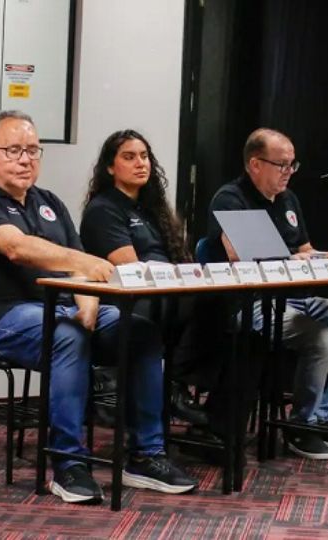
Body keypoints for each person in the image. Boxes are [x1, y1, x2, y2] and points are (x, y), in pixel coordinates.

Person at [0, 111, 196, 504]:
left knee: (140, 332)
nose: (25, 159)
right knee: (68, 336)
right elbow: (17, 247)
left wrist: (89, 306)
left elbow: (79, 267)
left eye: (33, 150)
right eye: (13, 150)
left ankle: (146, 455)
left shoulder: (48, 203)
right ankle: (68, 463)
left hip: (57, 310)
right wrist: (85, 271)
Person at [204, 127, 328, 459]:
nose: (289, 172)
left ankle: (325, 418)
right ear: (255, 164)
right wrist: (293, 259)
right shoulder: (232, 198)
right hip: (251, 302)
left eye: (293, 164)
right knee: (322, 338)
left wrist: (324, 258)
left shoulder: (288, 199)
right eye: (282, 164)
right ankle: (301, 426)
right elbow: (238, 254)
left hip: (298, 297)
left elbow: (304, 249)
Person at [79, 129, 208, 427]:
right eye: (129, 157)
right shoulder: (103, 210)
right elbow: (131, 269)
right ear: (110, 167)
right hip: (128, 300)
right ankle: (173, 385)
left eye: (144, 156)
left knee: (230, 316)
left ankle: (197, 399)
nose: (140, 163)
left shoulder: (154, 209)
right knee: (206, 306)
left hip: (165, 293)